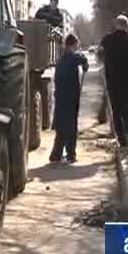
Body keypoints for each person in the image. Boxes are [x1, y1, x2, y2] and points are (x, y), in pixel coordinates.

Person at [99, 14, 128, 147]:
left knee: (116, 110)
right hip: (126, 80)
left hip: (111, 79)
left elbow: (100, 54)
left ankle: (121, 139)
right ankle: (127, 132)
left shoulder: (107, 39)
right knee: (125, 108)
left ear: (116, 25)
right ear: (127, 26)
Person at [49, 33, 89, 164]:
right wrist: (85, 64)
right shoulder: (72, 57)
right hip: (71, 97)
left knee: (61, 126)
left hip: (61, 97)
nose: (77, 47)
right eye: (76, 45)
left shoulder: (61, 58)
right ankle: (71, 155)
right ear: (73, 44)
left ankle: (56, 155)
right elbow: (81, 58)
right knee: (71, 127)